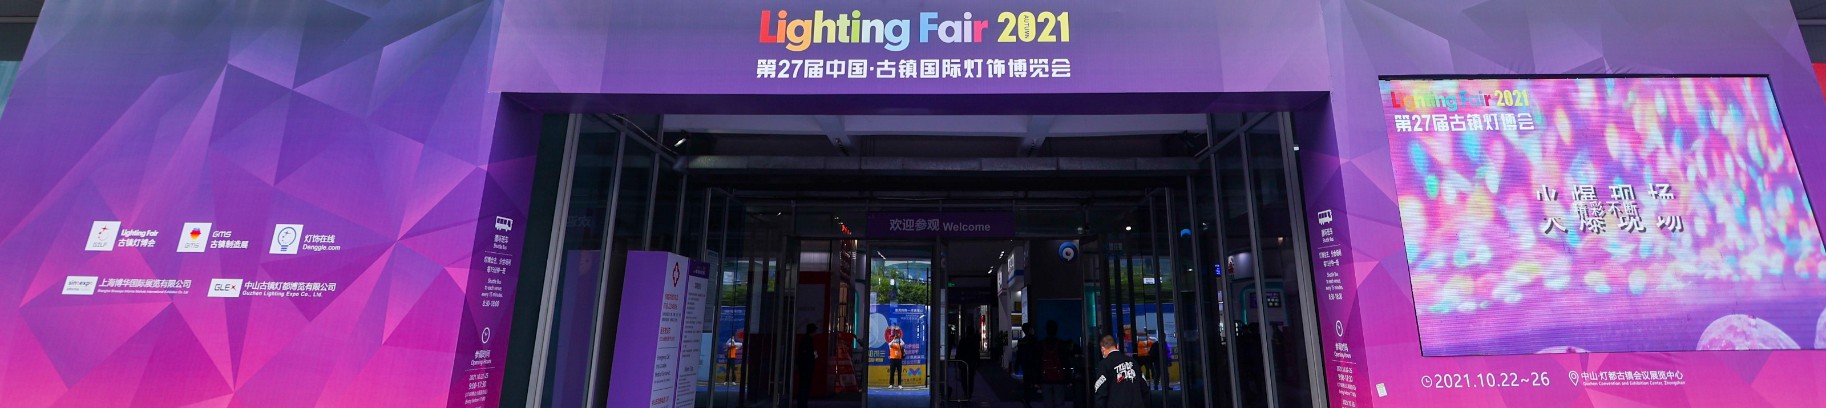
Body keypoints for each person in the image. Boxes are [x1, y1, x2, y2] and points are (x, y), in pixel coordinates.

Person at [1092, 335, 1147, 408]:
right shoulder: (1133, 362)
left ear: (1102, 349)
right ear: (1117, 346)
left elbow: (1101, 392)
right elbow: (1144, 388)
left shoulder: (1104, 365)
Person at [1038, 320, 1075, 408]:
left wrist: (1037, 379)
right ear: (1056, 330)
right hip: (1059, 378)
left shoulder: (1041, 344)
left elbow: (1037, 362)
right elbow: (1065, 362)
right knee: (1059, 403)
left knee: (1047, 403)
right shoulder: (1061, 344)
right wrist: (1068, 378)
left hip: (1045, 378)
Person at [1016, 323, 1042, 408]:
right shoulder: (1034, 340)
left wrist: (1017, 365)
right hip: (1034, 364)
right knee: (1035, 380)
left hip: (1025, 364)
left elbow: (1019, 355)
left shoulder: (1021, 341)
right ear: (1030, 329)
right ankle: (1036, 395)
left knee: (1027, 382)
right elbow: (1038, 353)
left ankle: (1027, 399)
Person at [796, 324, 818, 408]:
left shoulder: (805, 340)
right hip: (807, 367)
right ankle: (803, 404)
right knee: (805, 386)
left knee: (803, 386)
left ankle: (802, 403)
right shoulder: (808, 341)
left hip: (804, 367)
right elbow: (811, 353)